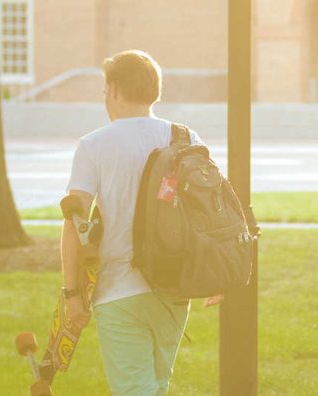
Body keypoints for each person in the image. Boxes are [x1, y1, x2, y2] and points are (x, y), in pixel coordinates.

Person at [62, 49, 220, 396]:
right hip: (175, 286)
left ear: (114, 89)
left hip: (118, 289)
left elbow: (74, 222)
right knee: (156, 387)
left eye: (106, 90)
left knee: (136, 390)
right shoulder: (185, 138)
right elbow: (211, 209)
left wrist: (73, 292)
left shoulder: (94, 145)